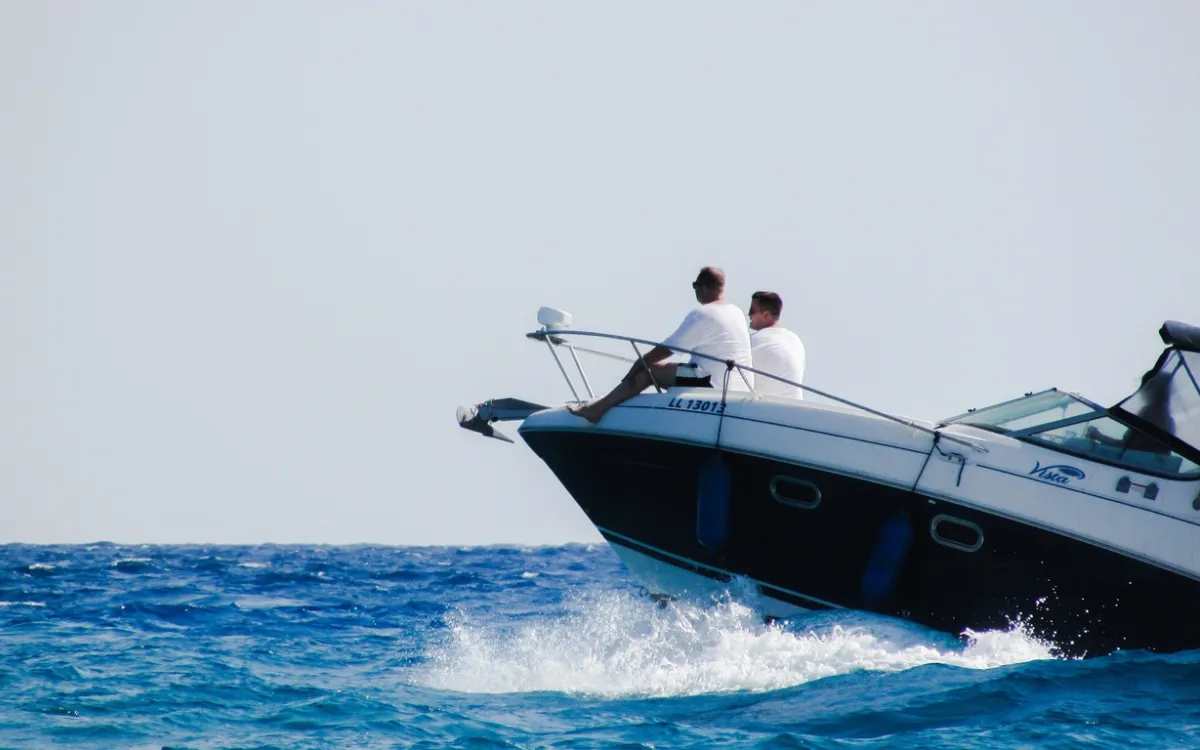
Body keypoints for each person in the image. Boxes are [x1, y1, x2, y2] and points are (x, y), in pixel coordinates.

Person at [567, 266, 753, 424]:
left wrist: (639, 364)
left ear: (704, 287)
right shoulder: (735, 312)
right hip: (738, 386)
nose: (695, 290)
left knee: (649, 371)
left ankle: (598, 409)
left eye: (695, 285)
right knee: (665, 368)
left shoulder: (703, 314)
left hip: (711, 381)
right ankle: (604, 403)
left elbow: (667, 350)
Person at [748, 291, 806, 399]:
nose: (748, 315)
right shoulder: (795, 340)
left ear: (766, 315)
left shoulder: (754, 340)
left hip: (761, 410)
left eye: (752, 311)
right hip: (794, 409)